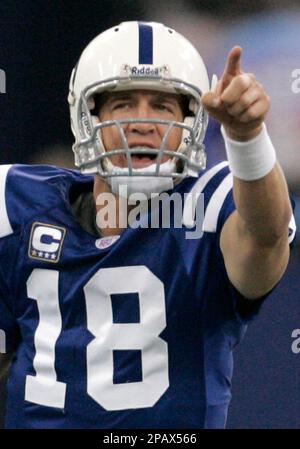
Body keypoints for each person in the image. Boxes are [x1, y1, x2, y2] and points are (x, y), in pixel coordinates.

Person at [0, 21, 296, 429]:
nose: (142, 122)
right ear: (86, 117)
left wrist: (246, 136)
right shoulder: (19, 207)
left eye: (162, 106)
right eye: (123, 104)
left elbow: (267, 234)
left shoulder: (209, 210)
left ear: (192, 123)